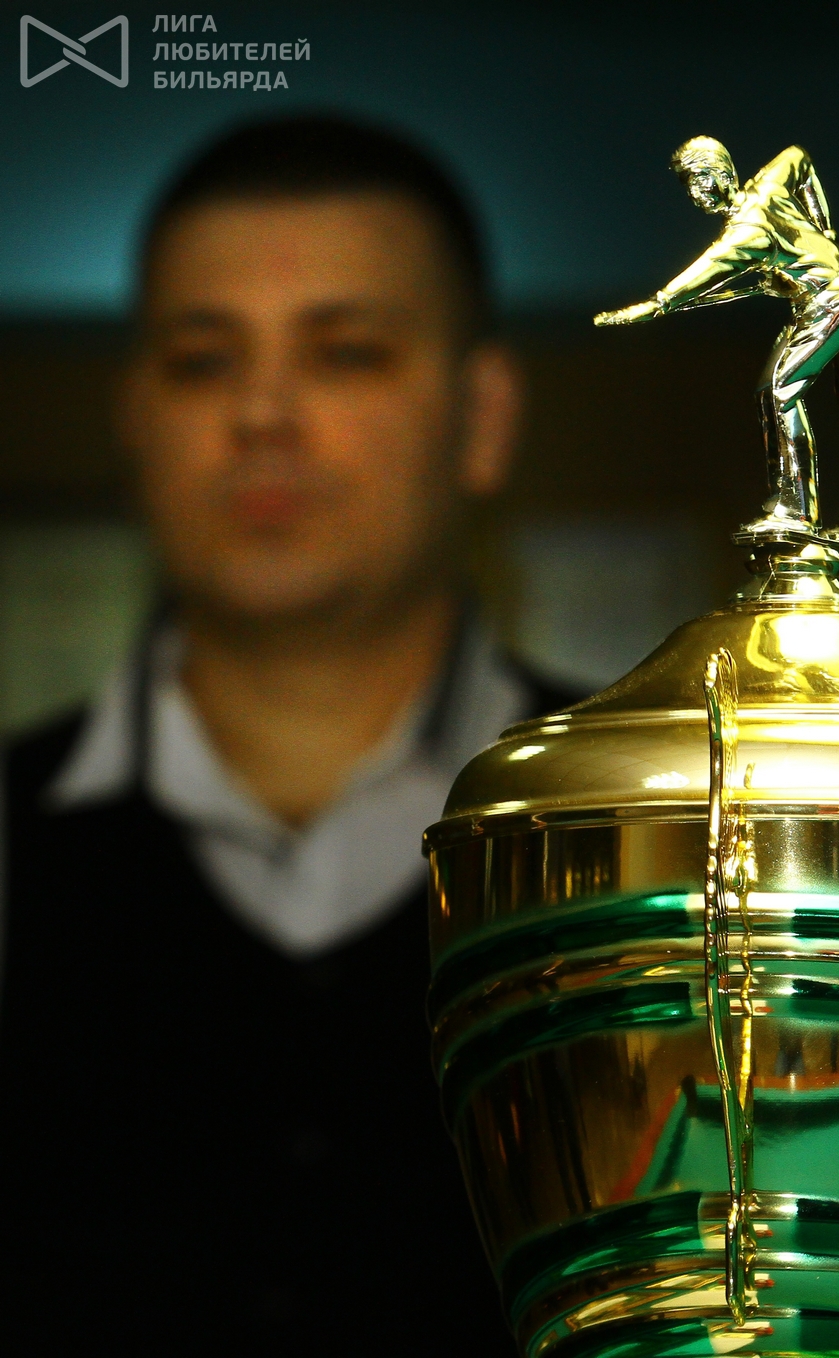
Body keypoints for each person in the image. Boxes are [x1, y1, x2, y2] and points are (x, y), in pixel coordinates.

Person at [0, 116, 575, 1354]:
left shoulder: (664, 830)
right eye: (201, 360)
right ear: (135, 416)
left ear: (482, 416)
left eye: (346, 352)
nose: (262, 412)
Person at [595, 137, 839, 556]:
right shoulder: (767, 186)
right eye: (688, 184)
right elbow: (800, 158)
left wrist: (655, 305)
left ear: (724, 174)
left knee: (777, 391)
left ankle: (795, 510)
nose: (696, 192)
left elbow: (707, 271)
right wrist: (821, 229)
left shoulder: (745, 231)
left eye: (701, 179)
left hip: (831, 302)